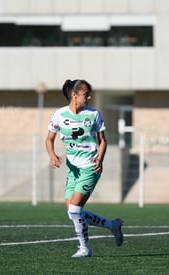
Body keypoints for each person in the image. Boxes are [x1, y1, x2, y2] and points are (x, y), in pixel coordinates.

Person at [45, 79, 124, 258]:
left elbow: (103, 140)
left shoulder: (94, 114)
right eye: (85, 94)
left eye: (90, 94)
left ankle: (84, 248)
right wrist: (52, 154)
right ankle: (112, 225)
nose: (89, 97)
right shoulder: (59, 115)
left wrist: (100, 158)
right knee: (73, 212)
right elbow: (49, 139)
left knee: (74, 210)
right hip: (72, 169)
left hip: (89, 167)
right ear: (74, 95)